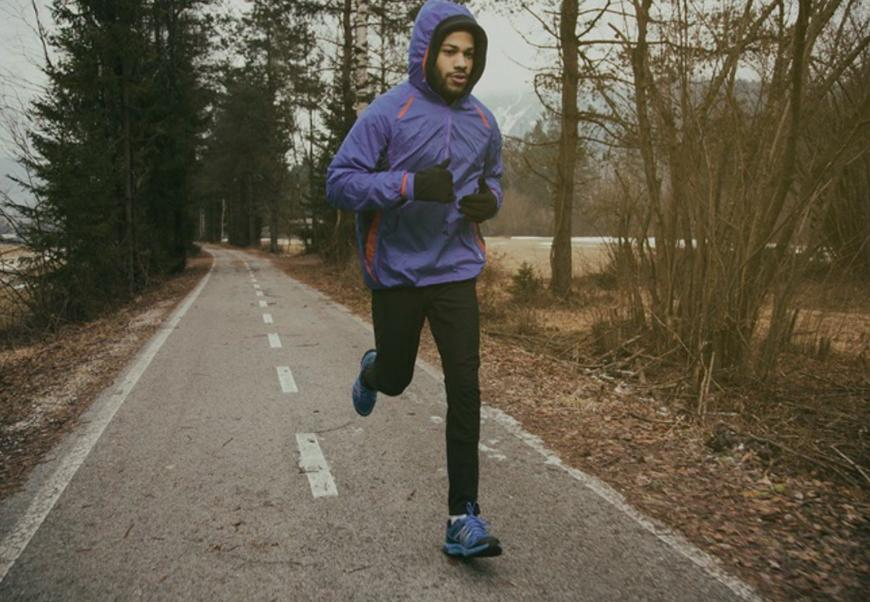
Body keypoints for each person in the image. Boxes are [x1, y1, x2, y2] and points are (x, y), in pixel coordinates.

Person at [326, 0, 503, 558]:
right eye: (451, 51)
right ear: (427, 53)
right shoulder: (388, 112)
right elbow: (339, 182)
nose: (461, 64)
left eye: (469, 54)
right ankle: (375, 370)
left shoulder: (483, 121)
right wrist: (404, 186)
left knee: (466, 388)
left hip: (454, 270)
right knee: (400, 377)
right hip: (399, 272)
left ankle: (462, 516)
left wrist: (487, 202)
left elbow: (493, 178)